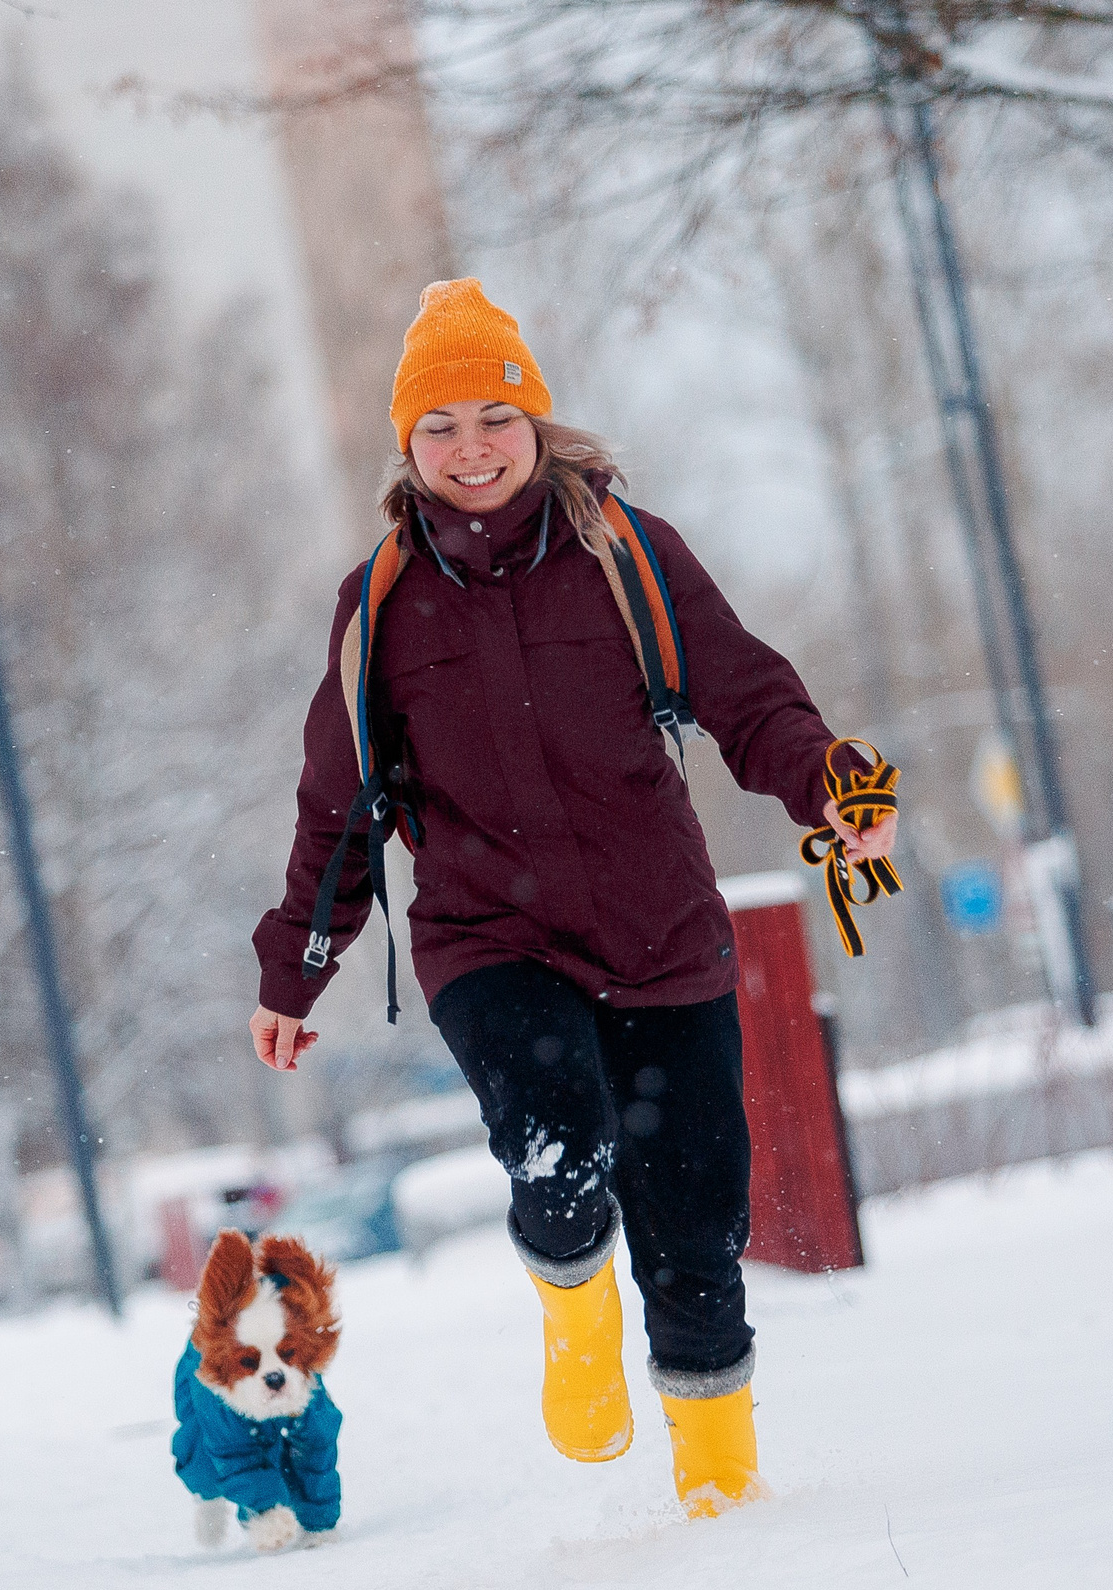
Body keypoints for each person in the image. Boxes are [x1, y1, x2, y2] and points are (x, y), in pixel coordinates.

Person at [247, 278, 896, 1518]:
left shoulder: (627, 553)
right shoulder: (380, 604)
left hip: (662, 933)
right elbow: (339, 808)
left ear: (536, 423)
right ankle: (574, 1304)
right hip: (490, 939)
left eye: (495, 416)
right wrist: (295, 972)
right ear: (406, 444)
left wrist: (831, 784)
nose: (471, 447)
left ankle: (719, 1485)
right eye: (440, 425)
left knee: (697, 1226)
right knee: (558, 1145)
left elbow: (748, 695)